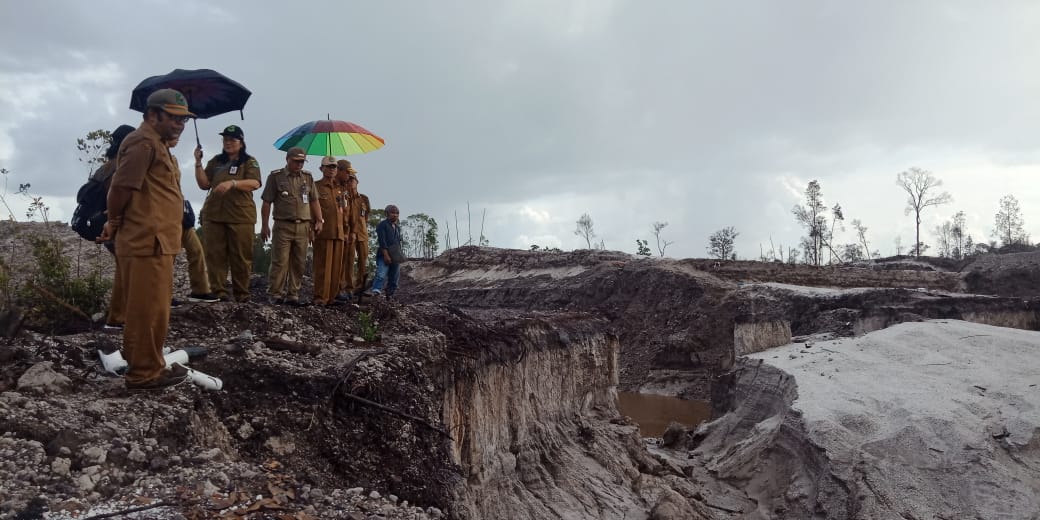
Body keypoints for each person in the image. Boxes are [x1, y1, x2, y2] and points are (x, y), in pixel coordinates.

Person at [96, 88, 192, 390]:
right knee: (146, 310)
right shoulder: (142, 142)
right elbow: (121, 188)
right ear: (153, 115)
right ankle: (144, 374)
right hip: (146, 240)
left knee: (156, 308)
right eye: (174, 118)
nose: (180, 124)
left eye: (184, 120)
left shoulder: (157, 144)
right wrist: (114, 221)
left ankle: (151, 366)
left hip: (159, 241)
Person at [194, 125, 262, 302]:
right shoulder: (216, 161)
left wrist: (233, 183)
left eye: (232, 140)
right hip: (214, 214)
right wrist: (198, 163)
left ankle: (242, 294)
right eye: (225, 139)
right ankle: (219, 292)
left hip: (240, 216)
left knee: (241, 256)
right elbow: (204, 184)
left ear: (241, 142)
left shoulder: (249, 161)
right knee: (215, 255)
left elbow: (255, 183)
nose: (228, 143)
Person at [260, 147, 323, 305]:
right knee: (280, 261)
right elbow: (266, 201)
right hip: (283, 225)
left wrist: (319, 220)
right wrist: (264, 225)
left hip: (303, 226)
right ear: (287, 160)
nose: (299, 164)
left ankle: (293, 294)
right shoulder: (276, 177)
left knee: (299, 262)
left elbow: (314, 200)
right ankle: (275, 293)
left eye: (302, 162)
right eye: (296, 161)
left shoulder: (307, 178)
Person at [95, 124, 137, 331]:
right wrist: (114, 218)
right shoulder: (120, 167)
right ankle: (120, 318)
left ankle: (117, 318)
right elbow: (120, 195)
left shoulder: (105, 167)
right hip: (117, 225)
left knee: (123, 273)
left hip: (108, 225)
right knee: (128, 274)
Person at [312, 156, 345, 305]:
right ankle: (320, 298)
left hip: (339, 233)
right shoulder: (315, 186)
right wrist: (311, 229)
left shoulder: (340, 188)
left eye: (334, 167)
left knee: (336, 268)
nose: (332, 169)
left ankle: (332, 298)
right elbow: (310, 209)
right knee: (322, 267)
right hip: (323, 232)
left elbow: (344, 210)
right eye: (329, 166)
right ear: (321, 168)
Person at [338, 160, 370, 298]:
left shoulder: (363, 198)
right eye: (349, 180)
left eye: (353, 180)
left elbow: (366, 215)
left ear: (357, 182)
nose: (351, 183)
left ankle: (361, 286)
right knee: (348, 261)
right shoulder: (345, 197)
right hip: (349, 233)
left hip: (362, 234)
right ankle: (348, 287)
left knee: (363, 260)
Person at [368, 204, 403, 297]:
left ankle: (390, 294)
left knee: (394, 276)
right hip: (384, 254)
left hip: (395, 256)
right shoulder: (382, 225)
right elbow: (382, 241)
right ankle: (375, 291)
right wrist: (386, 255)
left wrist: (399, 256)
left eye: (397, 213)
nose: (395, 215)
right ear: (387, 214)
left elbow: (398, 242)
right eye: (392, 212)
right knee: (381, 273)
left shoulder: (397, 228)